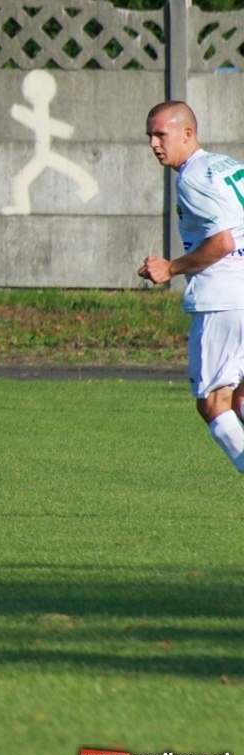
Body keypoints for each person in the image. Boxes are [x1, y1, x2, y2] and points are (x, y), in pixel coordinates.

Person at [138, 100, 244, 474]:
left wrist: (171, 267)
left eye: (160, 134)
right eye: (149, 135)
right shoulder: (229, 166)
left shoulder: (192, 178)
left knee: (214, 403)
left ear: (187, 134)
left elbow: (222, 243)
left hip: (223, 300)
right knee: (240, 398)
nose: (153, 143)